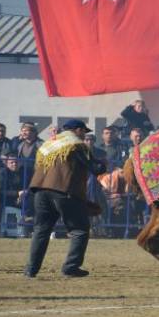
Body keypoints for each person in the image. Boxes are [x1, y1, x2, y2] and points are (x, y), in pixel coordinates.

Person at [24, 119, 106, 278]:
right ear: (77, 130)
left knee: (41, 230)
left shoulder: (48, 144)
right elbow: (95, 168)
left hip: (40, 191)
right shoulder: (75, 144)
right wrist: (102, 163)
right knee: (79, 230)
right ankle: (71, 267)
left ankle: (30, 270)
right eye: (84, 131)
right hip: (62, 191)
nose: (84, 135)